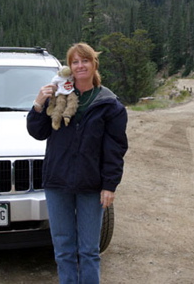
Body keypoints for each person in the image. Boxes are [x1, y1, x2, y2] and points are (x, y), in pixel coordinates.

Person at [27, 42, 128, 284]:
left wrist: (109, 186)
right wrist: (39, 103)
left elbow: (115, 150)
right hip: (57, 183)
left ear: (94, 64)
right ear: (69, 67)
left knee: (89, 251)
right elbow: (37, 132)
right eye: (75, 62)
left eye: (85, 60)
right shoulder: (58, 97)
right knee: (63, 249)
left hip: (91, 185)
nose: (80, 65)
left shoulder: (109, 104)